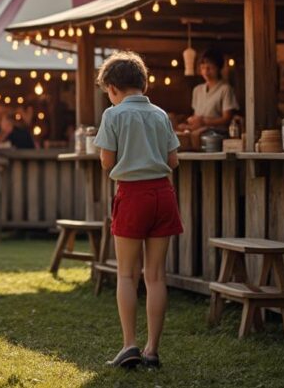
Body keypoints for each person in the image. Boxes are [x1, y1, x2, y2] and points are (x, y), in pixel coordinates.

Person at [93, 51, 182, 369]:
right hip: (163, 194)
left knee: (127, 274)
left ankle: (129, 345)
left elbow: (107, 161)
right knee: (156, 276)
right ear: (143, 84)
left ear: (112, 88)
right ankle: (152, 350)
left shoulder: (113, 115)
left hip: (132, 195)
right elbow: (173, 160)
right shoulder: (160, 115)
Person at [177, 49, 239, 149]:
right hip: (199, 131)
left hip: (216, 134)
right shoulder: (197, 90)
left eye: (210, 68)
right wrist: (190, 123)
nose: (206, 71)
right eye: (203, 68)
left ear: (218, 68)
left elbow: (227, 118)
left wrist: (204, 121)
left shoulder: (225, 89)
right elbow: (196, 115)